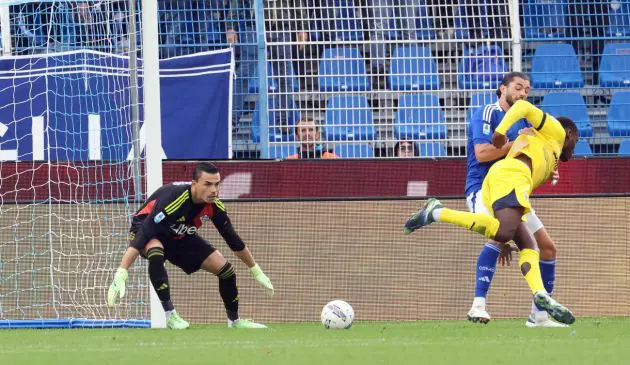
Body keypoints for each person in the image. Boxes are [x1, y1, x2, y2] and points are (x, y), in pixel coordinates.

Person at [404, 99, 579, 326]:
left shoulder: (549, 150)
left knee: (529, 246)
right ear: (567, 132)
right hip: (510, 177)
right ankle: (437, 212)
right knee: (504, 233)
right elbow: (523, 107)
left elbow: (532, 150)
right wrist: (500, 132)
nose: (575, 145)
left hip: (506, 181)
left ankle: (539, 300)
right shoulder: (554, 130)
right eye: (575, 139)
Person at [107, 162, 274, 329]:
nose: (214, 190)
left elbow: (233, 240)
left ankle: (235, 322)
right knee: (156, 253)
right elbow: (144, 233)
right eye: (208, 184)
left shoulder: (214, 206)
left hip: (178, 234)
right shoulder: (174, 198)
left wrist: (256, 270)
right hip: (147, 229)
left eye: (217, 184)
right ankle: (170, 316)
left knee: (227, 271)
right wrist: (122, 271)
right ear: (194, 184)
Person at [465, 72, 566, 327]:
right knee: (498, 237)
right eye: (518, 88)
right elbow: (482, 154)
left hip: (513, 193)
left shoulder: (523, 123)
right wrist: (514, 144)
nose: (522, 93)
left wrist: (547, 166)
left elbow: (529, 155)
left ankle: (539, 316)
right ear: (503, 89)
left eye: (527, 90)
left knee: (547, 247)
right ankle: (478, 305)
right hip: (483, 190)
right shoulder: (487, 113)